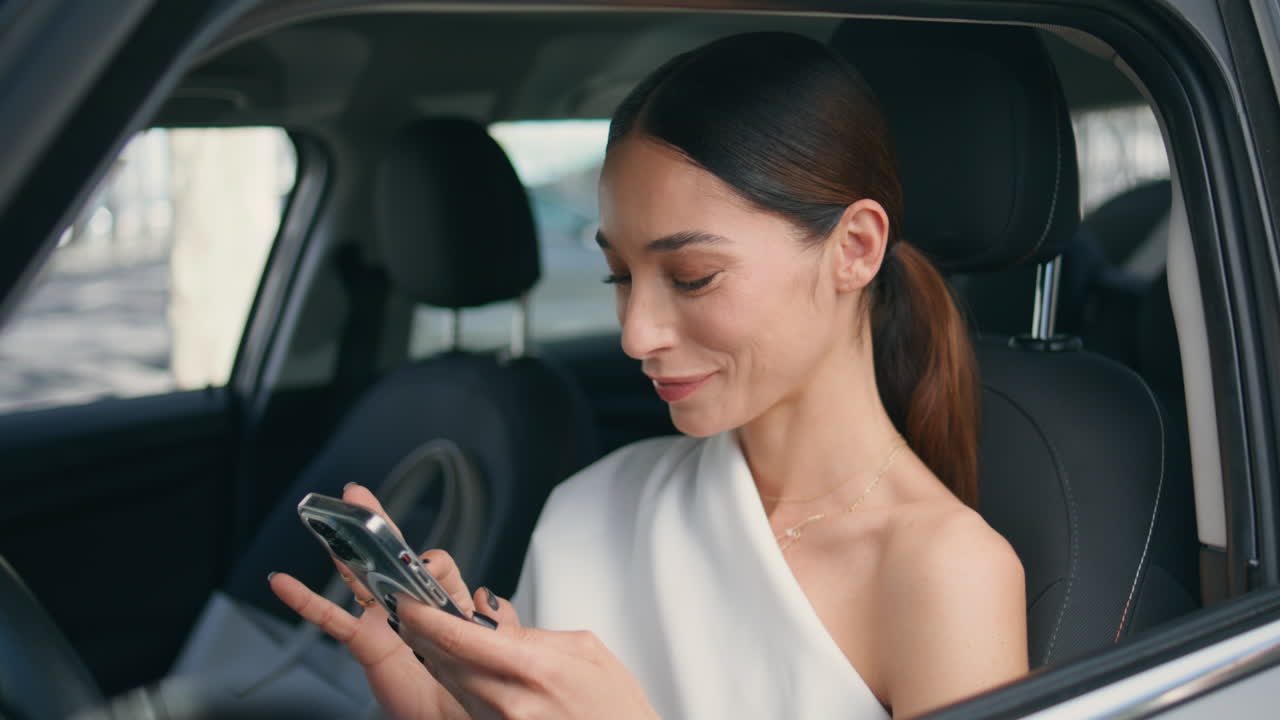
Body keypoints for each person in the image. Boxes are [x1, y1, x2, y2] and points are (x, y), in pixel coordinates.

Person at [269, 31, 1027, 719]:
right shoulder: (589, 509)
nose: (636, 334)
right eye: (619, 277)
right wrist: (433, 704)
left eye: (693, 276)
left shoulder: (947, 576)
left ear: (854, 249)